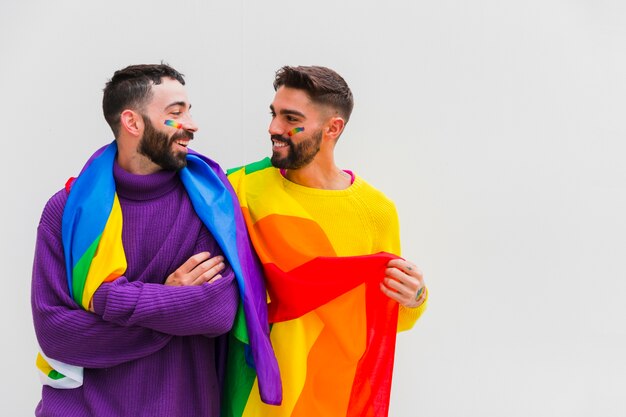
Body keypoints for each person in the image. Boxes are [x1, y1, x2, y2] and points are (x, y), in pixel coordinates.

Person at [31, 64, 280, 417]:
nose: (192, 124)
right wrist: (170, 300)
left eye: (189, 111)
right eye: (176, 113)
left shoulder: (209, 204)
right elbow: (57, 334)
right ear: (132, 123)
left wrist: (109, 299)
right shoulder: (68, 212)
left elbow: (217, 312)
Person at [223, 66, 428, 417]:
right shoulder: (240, 189)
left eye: (291, 118)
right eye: (274, 114)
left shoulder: (375, 211)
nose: (274, 128)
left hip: (334, 395)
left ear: (333, 128)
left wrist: (416, 297)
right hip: (256, 399)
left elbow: (391, 317)